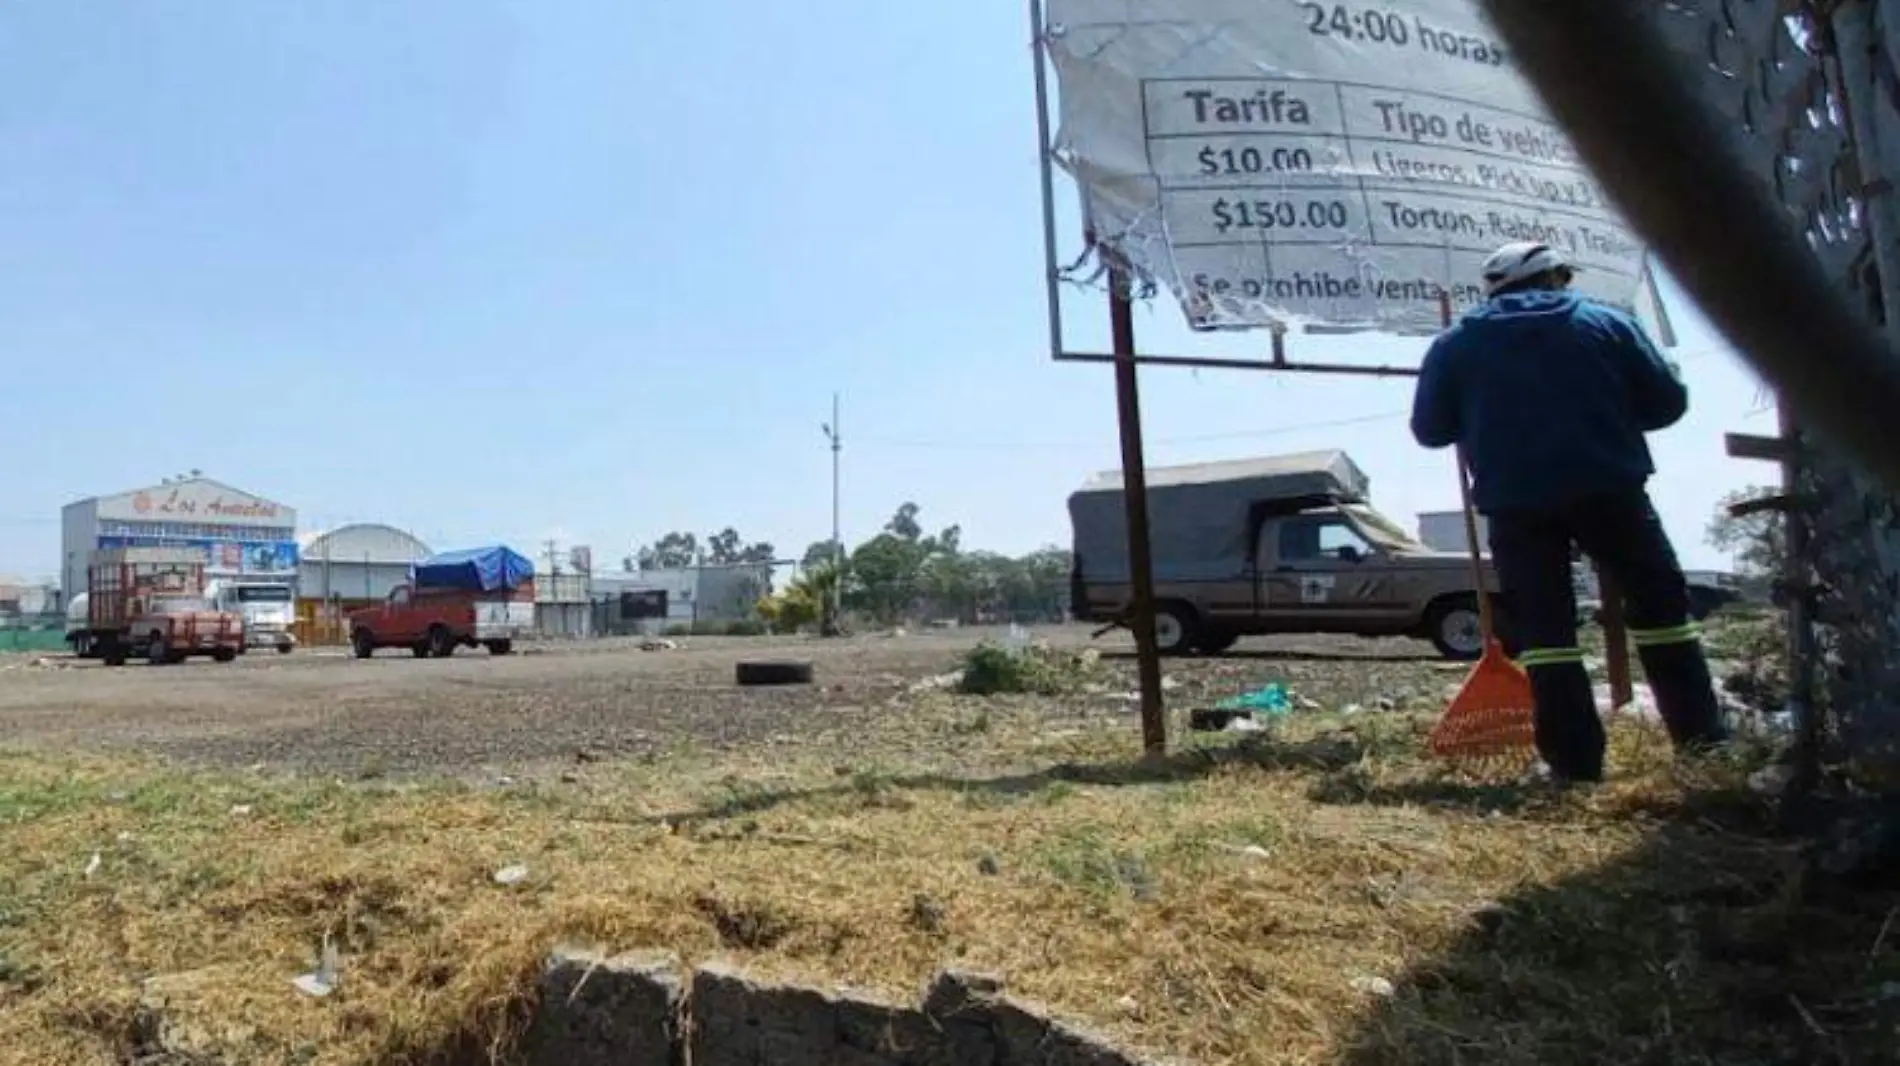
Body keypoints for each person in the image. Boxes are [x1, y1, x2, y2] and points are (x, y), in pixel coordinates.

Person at [1410, 241, 1728, 783]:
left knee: (1546, 635)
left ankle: (1574, 766)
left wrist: (1482, 412)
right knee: (1662, 616)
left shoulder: (1455, 344)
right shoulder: (1607, 323)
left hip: (1516, 503)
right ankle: (1702, 747)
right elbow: (1667, 403)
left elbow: (1430, 430)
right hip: (1611, 490)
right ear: (1557, 277)